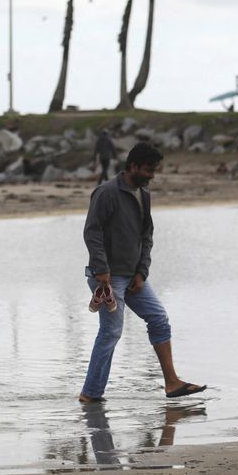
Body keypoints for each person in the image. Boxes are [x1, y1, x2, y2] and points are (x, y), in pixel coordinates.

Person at [81, 142, 206, 403]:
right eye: (149, 170)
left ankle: (172, 383)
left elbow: (146, 234)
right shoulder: (106, 193)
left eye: (154, 170)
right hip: (107, 277)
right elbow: (92, 233)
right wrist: (102, 270)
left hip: (132, 275)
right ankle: (90, 394)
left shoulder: (143, 193)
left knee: (159, 319)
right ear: (133, 166)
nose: (152, 175)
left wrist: (142, 271)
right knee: (111, 332)